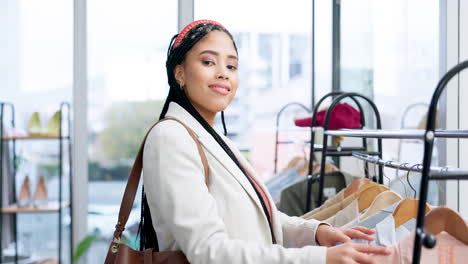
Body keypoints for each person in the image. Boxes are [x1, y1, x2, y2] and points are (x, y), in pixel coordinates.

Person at [139, 19, 390, 264]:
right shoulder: (170, 139)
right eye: (208, 62)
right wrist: (320, 258)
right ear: (179, 73)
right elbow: (208, 251)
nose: (223, 74)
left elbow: (258, 218)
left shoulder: (216, 141)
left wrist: (315, 232)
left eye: (232, 66)